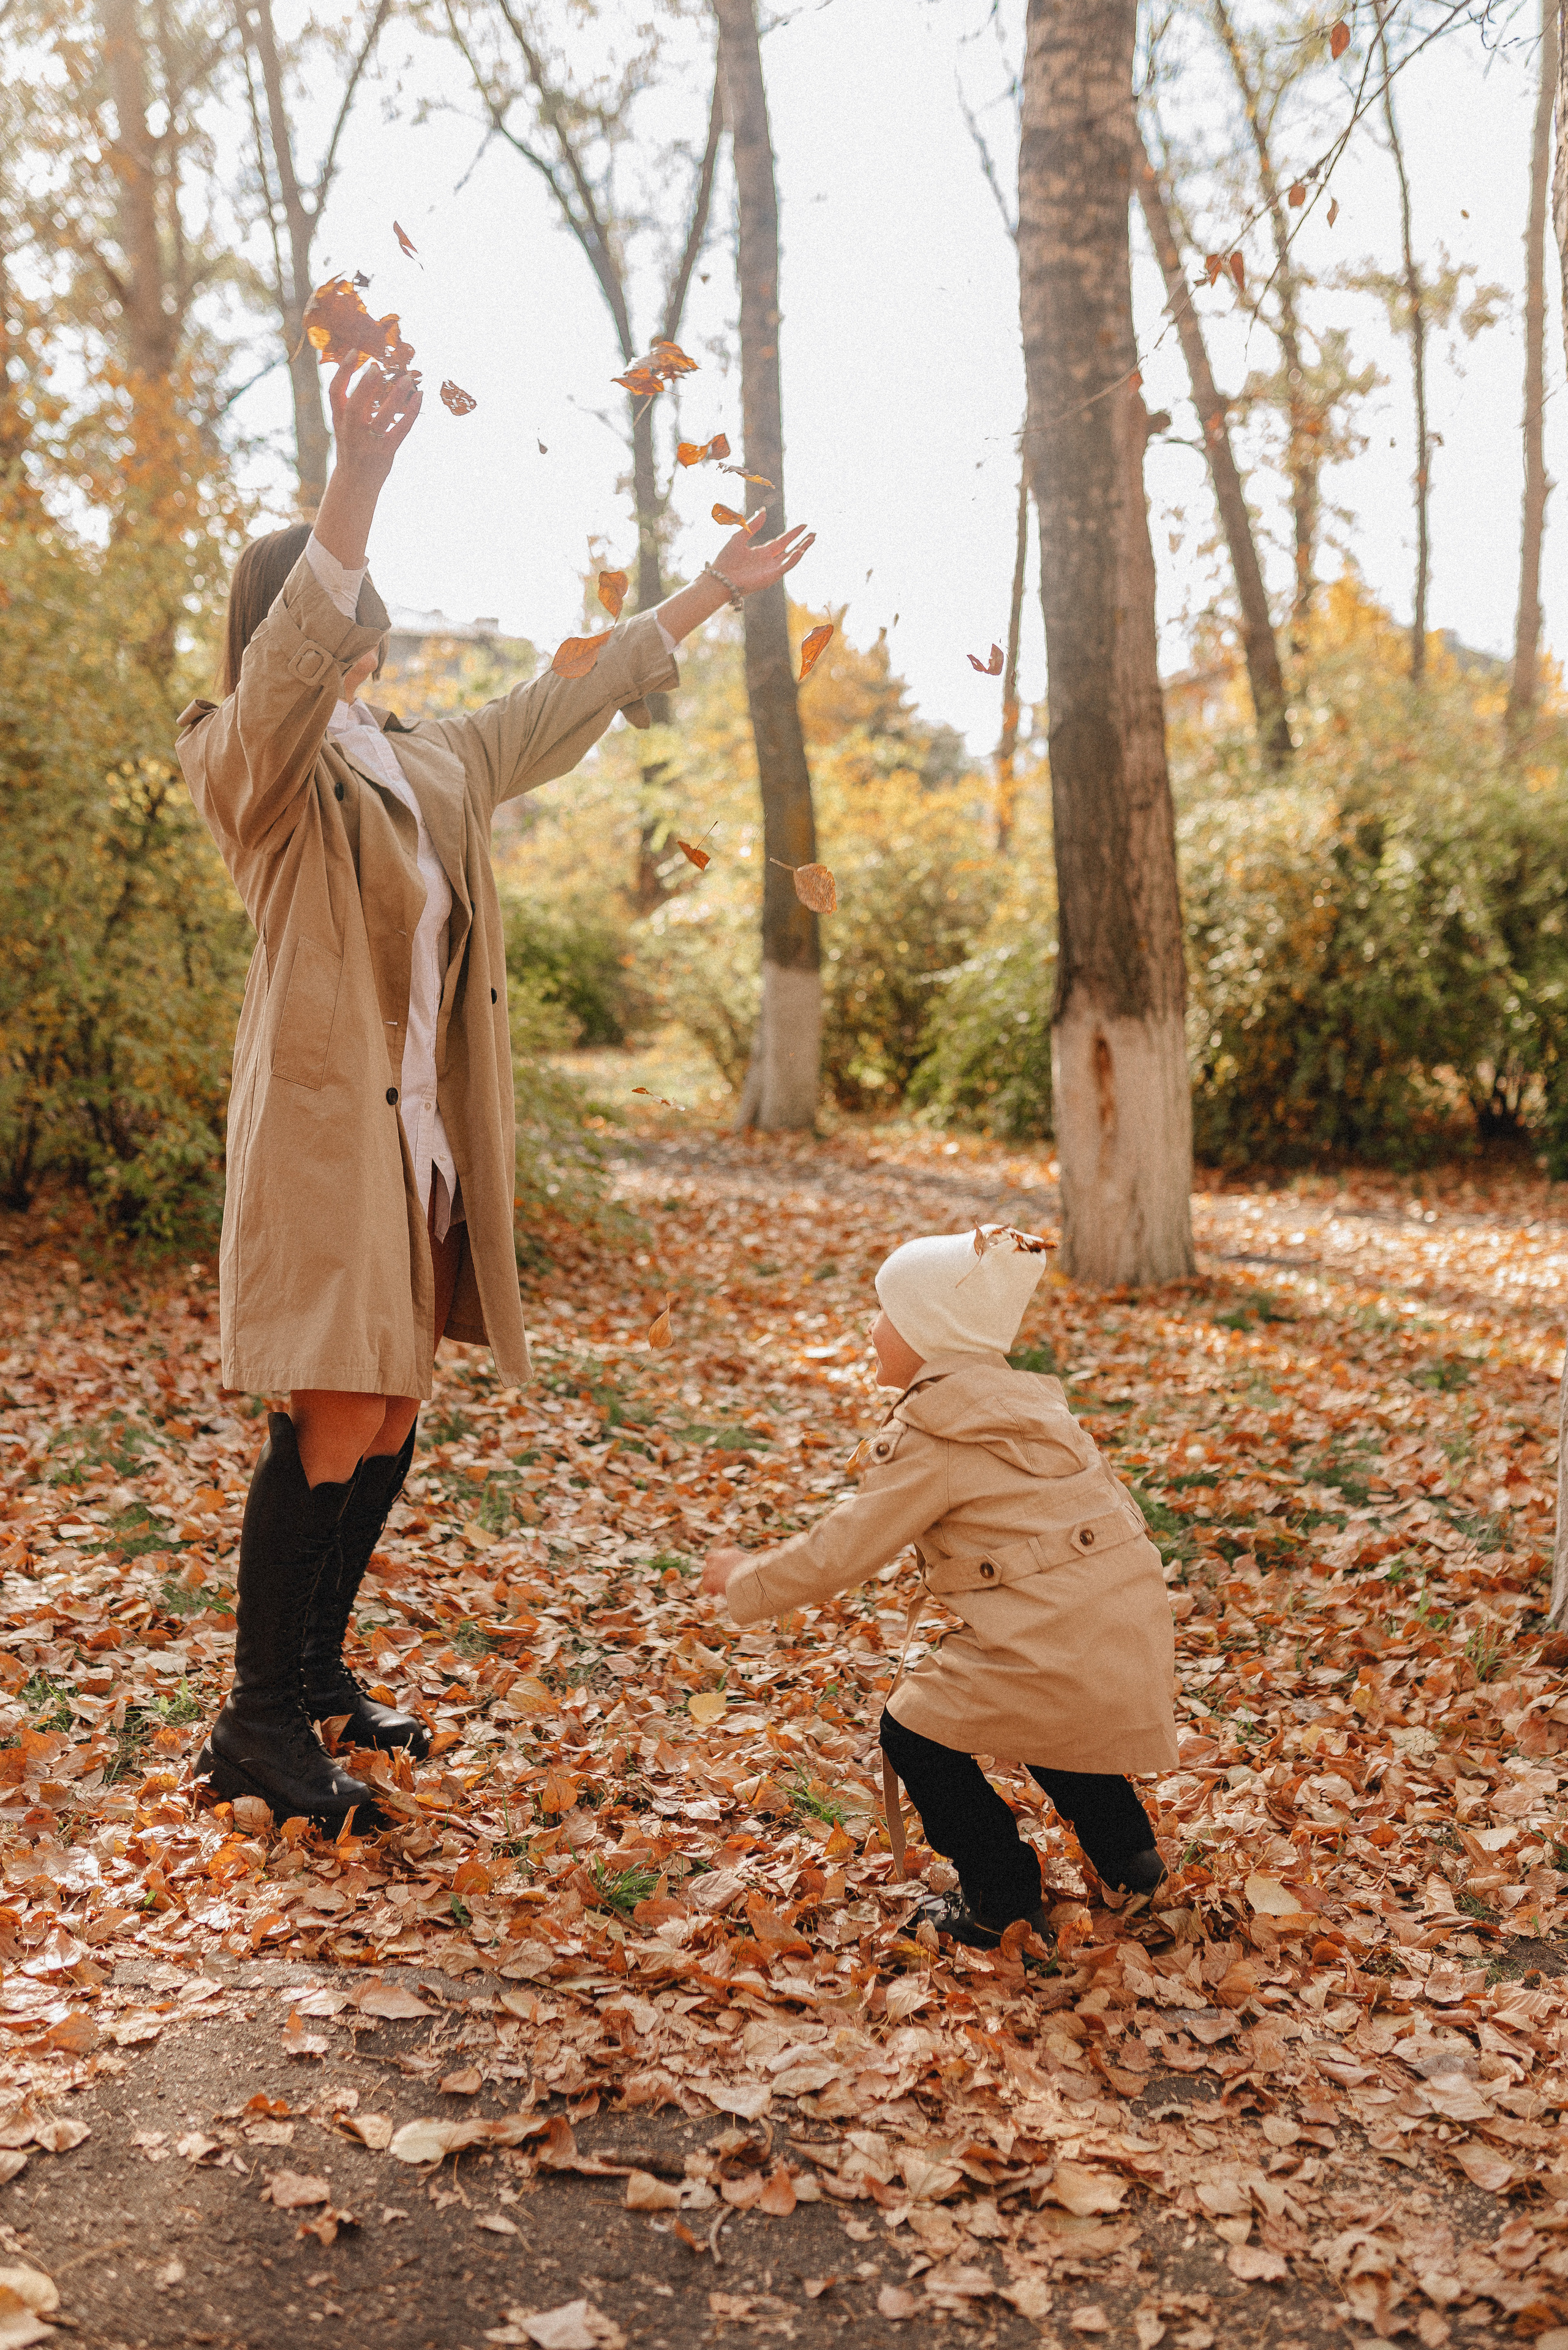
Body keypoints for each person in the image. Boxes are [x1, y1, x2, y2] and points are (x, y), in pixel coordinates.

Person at [178, 357, 813, 1830]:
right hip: (327, 1133)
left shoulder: (423, 756)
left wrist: (710, 590)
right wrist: (357, 480)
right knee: (334, 1411)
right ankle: (255, 1724)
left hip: (420, 1135)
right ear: (298, 622)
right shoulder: (248, 765)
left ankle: (315, 1676)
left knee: (392, 1413)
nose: (355, 634)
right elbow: (279, 678)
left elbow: (562, 696)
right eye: (332, 611)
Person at [702, 1226, 1177, 1946]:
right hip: (1122, 1628)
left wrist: (746, 1579)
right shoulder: (1033, 1408)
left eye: (884, 1314)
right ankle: (1131, 1862)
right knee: (1054, 1717)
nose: (871, 1331)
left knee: (913, 1728)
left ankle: (999, 1895)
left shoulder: (938, 1435)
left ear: (930, 1332)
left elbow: (843, 1549)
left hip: (1053, 1635)